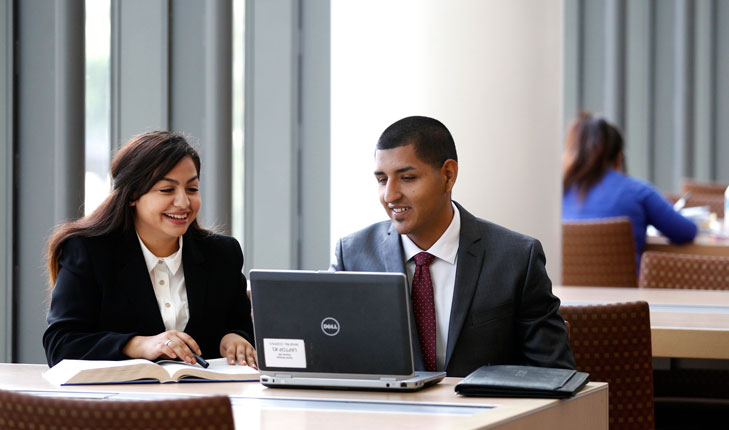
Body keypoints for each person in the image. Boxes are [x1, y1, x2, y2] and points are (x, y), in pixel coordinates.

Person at [331, 116, 575, 377]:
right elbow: (327, 358)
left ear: (448, 176)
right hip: (386, 414)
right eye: (382, 180)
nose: (390, 195)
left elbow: (555, 375)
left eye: (408, 178)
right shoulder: (353, 256)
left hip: (486, 415)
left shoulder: (516, 258)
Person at [43, 131, 256, 368]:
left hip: (203, 400)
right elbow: (61, 344)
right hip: (116, 402)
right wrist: (140, 345)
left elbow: (241, 325)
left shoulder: (222, 254)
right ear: (132, 195)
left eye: (192, 189)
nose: (184, 202)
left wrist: (235, 338)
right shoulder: (88, 250)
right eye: (167, 190)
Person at [562, 113, 697, 268]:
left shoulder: (559, 192)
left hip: (564, 291)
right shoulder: (638, 192)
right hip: (627, 291)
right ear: (619, 159)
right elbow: (686, 232)